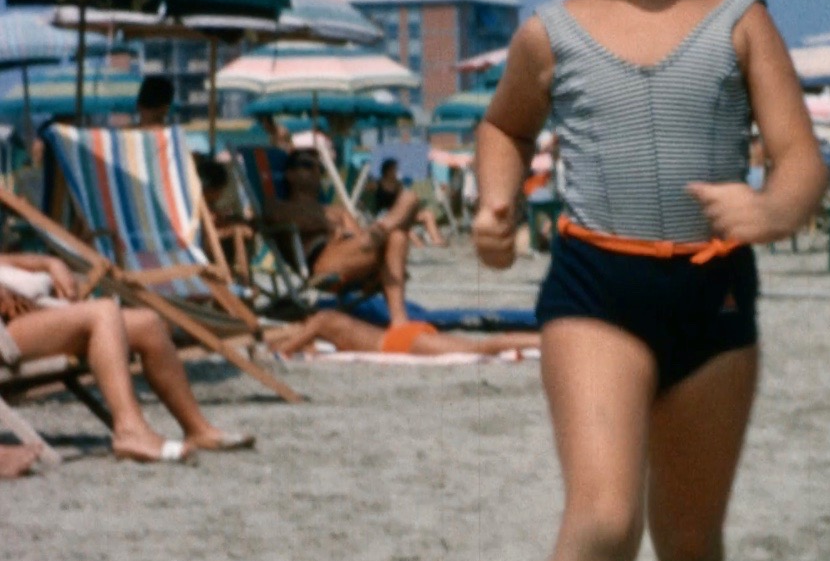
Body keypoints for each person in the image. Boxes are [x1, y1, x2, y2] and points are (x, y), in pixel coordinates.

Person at [472, 0, 827, 561]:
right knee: (601, 519)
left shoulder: (741, 21)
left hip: (715, 303)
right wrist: (495, 198)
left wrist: (772, 207)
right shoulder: (549, 34)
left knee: (692, 539)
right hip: (597, 289)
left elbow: (802, 164)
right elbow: (502, 126)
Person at [0, 252, 254, 463]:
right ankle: (130, 432)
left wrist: (49, 263)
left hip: (29, 313)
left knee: (147, 323)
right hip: (6, 333)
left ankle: (198, 429)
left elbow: (7, 259)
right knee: (103, 312)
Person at [262, 148, 418, 322]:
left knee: (399, 233)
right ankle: (386, 225)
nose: (315, 171)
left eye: (319, 168)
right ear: (290, 174)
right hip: (322, 261)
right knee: (399, 217)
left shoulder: (338, 211)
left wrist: (338, 231)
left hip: (353, 256)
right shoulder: (278, 205)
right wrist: (330, 226)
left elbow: (359, 240)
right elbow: (292, 220)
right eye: (306, 165)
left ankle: (399, 322)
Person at [271, 308, 539, 358]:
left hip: (397, 344)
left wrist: (287, 343)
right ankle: (540, 340)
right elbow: (306, 343)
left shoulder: (322, 319)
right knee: (478, 345)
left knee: (481, 347)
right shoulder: (331, 321)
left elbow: (287, 348)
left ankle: (542, 340)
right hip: (403, 336)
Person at [365, 158, 448, 247]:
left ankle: (436, 239)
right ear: (387, 171)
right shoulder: (378, 184)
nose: (396, 172)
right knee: (402, 224)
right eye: (394, 169)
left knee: (428, 214)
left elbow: (403, 200)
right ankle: (419, 244)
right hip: (385, 214)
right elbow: (365, 189)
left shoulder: (398, 185)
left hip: (399, 213)